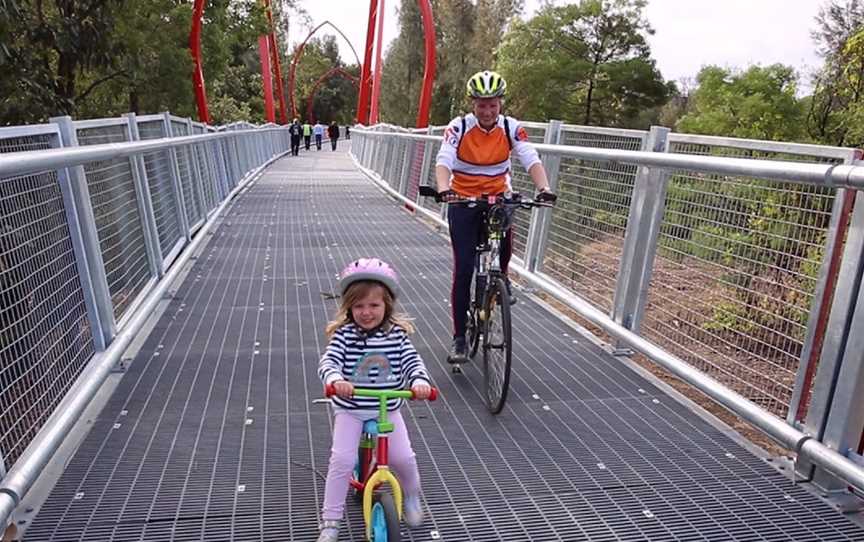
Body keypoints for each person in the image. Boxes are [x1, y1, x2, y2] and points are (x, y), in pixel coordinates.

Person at [434, 70, 557, 364]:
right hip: (463, 199)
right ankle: (460, 338)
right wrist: (443, 189)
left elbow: (530, 157)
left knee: (505, 228)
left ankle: (501, 277)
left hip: (497, 194)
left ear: (501, 103)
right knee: (463, 268)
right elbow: (444, 160)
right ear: (473, 104)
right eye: (481, 104)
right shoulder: (459, 126)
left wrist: (544, 188)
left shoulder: (511, 127)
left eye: (493, 104)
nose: (488, 111)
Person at [316, 258, 432, 542]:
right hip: (351, 410)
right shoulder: (345, 336)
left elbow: (412, 362)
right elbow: (328, 362)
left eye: (374, 306)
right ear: (349, 308)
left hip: (387, 409)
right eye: (359, 306)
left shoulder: (397, 336)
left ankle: (412, 495)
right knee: (341, 460)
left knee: (403, 458)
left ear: (387, 305)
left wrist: (419, 382)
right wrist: (335, 380)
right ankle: (331, 520)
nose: (366, 312)